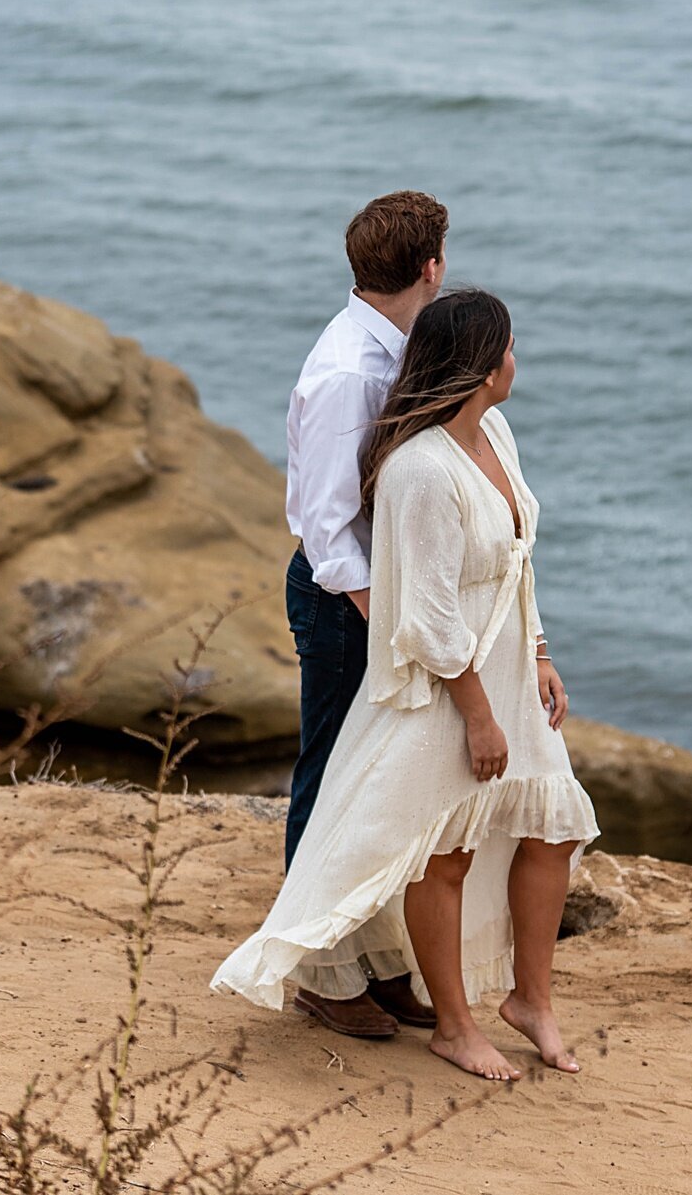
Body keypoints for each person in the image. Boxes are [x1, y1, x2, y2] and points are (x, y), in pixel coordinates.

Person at [212, 288, 597, 1081]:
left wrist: (541, 651)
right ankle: (455, 1024)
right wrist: (481, 717)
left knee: (554, 826)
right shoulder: (420, 469)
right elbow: (424, 615)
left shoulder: (497, 433)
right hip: (450, 689)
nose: (518, 360)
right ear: (485, 368)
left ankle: (532, 1000)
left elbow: (517, 563)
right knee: (445, 850)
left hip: (507, 669)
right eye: (511, 348)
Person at [281, 189, 449, 1039]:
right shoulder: (353, 369)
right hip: (344, 600)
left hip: (366, 597)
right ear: (432, 267)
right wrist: (390, 620)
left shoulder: (394, 345)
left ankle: (375, 959)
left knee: (375, 780)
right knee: (329, 781)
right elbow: (327, 526)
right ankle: (317, 969)